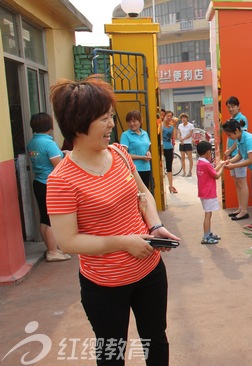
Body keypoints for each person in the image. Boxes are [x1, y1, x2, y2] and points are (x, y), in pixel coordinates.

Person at [47, 75, 180, 366]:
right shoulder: (61, 180)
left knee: (155, 339)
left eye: (110, 117)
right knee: (112, 352)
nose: (111, 125)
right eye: (104, 118)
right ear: (79, 124)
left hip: (150, 271)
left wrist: (155, 226)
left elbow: (143, 195)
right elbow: (68, 241)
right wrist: (124, 242)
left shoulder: (119, 154)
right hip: (104, 284)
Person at [26, 112, 71, 262]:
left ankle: (51, 249)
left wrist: (62, 154)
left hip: (38, 182)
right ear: (49, 125)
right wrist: (68, 156)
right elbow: (58, 167)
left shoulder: (32, 143)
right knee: (52, 218)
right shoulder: (49, 143)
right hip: (50, 184)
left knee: (44, 218)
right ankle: (53, 251)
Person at [222, 119, 252, 227]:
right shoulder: (240, 139)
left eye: (229, 134)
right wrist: (229, 161)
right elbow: (240, 155)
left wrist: (233, 166)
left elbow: (251, 160)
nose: (228, 137)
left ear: (236, 130)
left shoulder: (248, 139)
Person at [223, 96, 250, 221]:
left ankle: (244, 210)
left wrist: (230, 150)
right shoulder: (231, 119)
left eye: (232, 106)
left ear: (238, 106)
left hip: (239, 154)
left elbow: (240, 138)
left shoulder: (242, 119)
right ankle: (240, 208)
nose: (230, 109)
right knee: (237, 182)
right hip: (233, 155)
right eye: (228, 107)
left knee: (242, 182)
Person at [196, 141, 226, 245]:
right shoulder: (206, 164)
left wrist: (220, 164)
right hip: (208, 192)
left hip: (203, 192)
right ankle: (205, 237)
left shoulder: (200, 163)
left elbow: (212, 172)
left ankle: (208, 233)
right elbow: (216, 176)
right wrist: (223, 167)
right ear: (208, 152)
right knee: (208, 215)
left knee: (208, 213)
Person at [120, 110, 152, 190]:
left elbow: (147, 149)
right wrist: (142, 157)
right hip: (134, 170)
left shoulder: (145, 134)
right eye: (129, 122)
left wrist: (148, 153)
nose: (131, 124)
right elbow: (124, 154)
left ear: (140, 121)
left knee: (145, 192)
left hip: (146, 168)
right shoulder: (125, 135)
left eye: (134, 121)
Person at [162, 110, 178, 193]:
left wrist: (174, 126)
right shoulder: (160, 125)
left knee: (169, 167)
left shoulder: (171, 127)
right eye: (167, 116)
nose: (169, 118)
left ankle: (171, 186)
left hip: (169, 148)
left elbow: (175, 136)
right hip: (161, 148)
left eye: (170, 116)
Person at [177, 113, 195, 177]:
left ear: (187, 118)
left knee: (190, 158)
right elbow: (178, 133)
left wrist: (183, 139)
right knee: (182, 158)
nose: (183, 119)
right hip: (182, 143)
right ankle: (184, 172)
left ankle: (190, 171)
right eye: (182, 118)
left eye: (184, 118)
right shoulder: (180, 125)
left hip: (188, 143)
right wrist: (179, 138)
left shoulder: (191, 125)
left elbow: (190, 134)